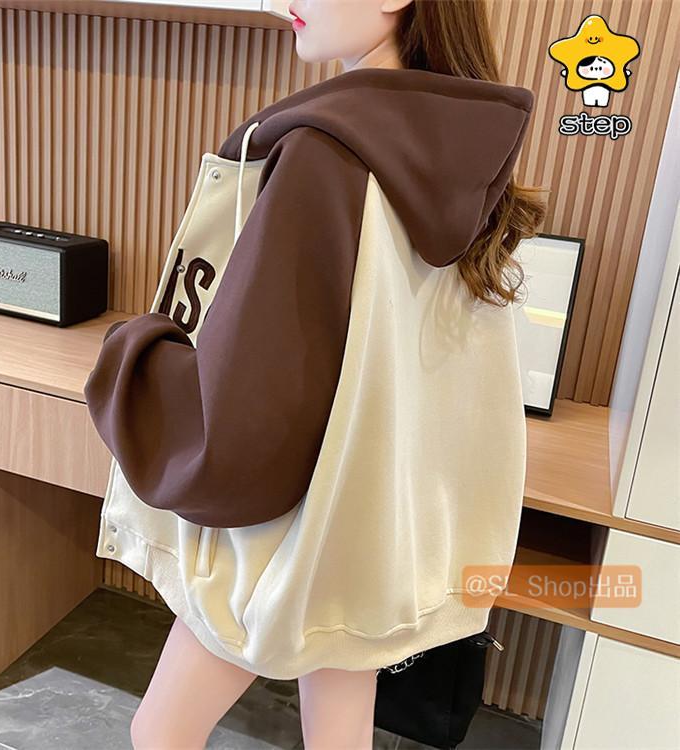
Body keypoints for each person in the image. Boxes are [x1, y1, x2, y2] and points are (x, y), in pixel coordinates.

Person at [83, 1, 548, 748]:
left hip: (284, 530)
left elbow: (239, 425)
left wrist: (133, 351)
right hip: (368, 524)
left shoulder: (324, 154)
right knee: (339, 736)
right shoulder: (463, 146)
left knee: (160, 732)